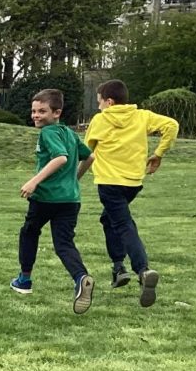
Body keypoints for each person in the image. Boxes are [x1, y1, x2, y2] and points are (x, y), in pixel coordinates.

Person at [78, 79, 178, 309]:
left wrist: (75, 178)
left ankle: (142, 270)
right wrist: (159, 153)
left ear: (109, 102)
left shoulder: (100, 120)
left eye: (99, 102)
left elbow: (86, 152)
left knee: (123, 224)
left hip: (109, 183)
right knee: (108, 219)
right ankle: (118, 268)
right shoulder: (142, 116)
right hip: (133, 183)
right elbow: (171, 125)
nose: (99, 107)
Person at [10, 89, 95, 314]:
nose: (36, 116)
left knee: (29, 232)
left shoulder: (48, 133)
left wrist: (34, 181)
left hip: (46, 198)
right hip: (70, 200)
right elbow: (90, 157)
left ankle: (24, 280)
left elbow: (60, 158)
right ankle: (81, 278)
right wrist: (75, 179)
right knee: (64, 244)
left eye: (42, 111)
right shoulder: (69, 133)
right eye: (34, 111)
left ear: (56, 113)